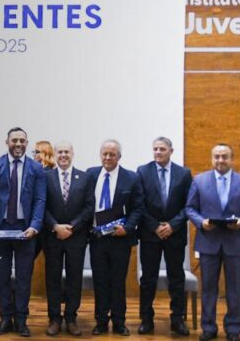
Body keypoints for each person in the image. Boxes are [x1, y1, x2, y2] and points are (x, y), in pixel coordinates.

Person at [185, 143, 240, 341]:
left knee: (235, 289)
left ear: (232, 159)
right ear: (211, 159)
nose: (220, 160)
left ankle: (234, 329)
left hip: (236, 243)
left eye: (224, 156)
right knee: (208, 288)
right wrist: (202, 222)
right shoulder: (199, 181)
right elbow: (190, 208)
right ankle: (208, 328)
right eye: (216, 156)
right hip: (208, 242)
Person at [0, 127, 46, 337]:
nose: (18, 144)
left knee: (23, 278)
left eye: (22, 141)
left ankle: (21, 319)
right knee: (1, 277)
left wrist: (35, 225)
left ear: (27, 143)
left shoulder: (36, 168)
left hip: (25, 231)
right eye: (14, 140)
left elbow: (39, 199)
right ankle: (5, 318)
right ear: (6, 142)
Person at [86, 139, 144, 336]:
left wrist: (127, 228)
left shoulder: (132, 178)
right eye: (105, 154)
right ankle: (101, 321)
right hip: (97, 238)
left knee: (118, 281)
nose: (108, 157)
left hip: (120, 238)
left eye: (112, 154)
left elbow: (138, 208)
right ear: (100, 155)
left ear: (119, 156)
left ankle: (119, 321)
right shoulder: (91, 174)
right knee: (100, 281)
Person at [136, 137, 192, 336]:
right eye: (155, 149)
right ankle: (146, 319)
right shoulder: (143, 171)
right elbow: (139, 204)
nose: (158, 152)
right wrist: (155, 226)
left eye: (162, 149)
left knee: (176, 278)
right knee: (148, 279)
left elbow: (189, 205)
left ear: (171, 150)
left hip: (174, 235)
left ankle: (177, 319)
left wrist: (172, 225)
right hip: (150, 235)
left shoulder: (184, 174)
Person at [42, 142, 94, 337]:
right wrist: (55, 226)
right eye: (60, 152)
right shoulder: (45, 177)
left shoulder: (85, 177)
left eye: (67, 152)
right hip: (52, 236)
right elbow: (41, 205)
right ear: (55, 155)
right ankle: (54, 318)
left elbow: (89, 207)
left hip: (76, 236)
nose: (63, 155)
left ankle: (71, 318)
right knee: (52, 278)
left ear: (73, 154)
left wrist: (72, 226)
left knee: (74, 278)